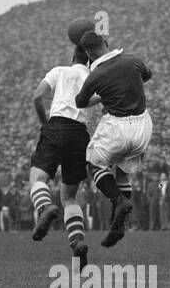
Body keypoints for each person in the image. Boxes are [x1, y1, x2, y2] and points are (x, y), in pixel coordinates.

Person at [74, 30, 152, 248]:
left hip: (117, 126)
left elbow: (80, 101)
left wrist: (100, 95)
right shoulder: (133, 60)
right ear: (106, 43)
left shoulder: (96, 74)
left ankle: (119, 201)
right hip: (143, 126)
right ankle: (118, 225)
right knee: (122, 173)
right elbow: (147, 75)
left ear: (89, 54)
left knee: (93, 163)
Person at [28, 34, 92, 264]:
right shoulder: (92, 77)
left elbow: (37, 96)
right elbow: (103, 101)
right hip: (79, 133)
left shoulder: (59, 71)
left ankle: (44, 208)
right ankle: (77, 243)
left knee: (38, 178)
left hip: (56, 126)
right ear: (88, 61)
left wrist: (45, 123)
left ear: (72, 56)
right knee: (70, 197)